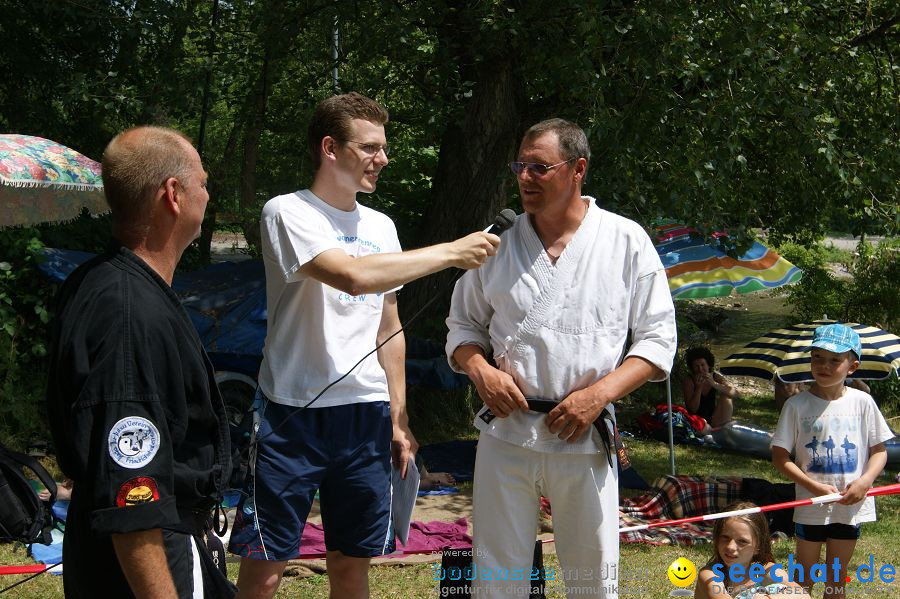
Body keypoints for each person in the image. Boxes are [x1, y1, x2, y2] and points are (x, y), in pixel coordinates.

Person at [227, 92, 499, 599]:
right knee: (265, 570)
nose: (383, 159)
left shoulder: (382, 226)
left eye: (384, 147)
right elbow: (351, 277)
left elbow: (387, 324)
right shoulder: (286, 212)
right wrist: (450, 252)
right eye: (370, 147)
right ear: (330, 148)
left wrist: (399, 418)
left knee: (352, 565)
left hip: (365, 416)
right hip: (291, 414)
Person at [446, 118, 677, 598]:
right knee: (497, 575)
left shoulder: (624, 240)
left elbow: (657, 343)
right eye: (520, 166)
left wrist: (598, 396)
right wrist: (480, 370)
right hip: (507, 429)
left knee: (592, 576)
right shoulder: (496, 241)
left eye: (539, 167)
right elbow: (462, 328)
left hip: (582, 432)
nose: (525, 178)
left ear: (578, 170)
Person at [45, 126, 235, 597]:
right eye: (204, 183)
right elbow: (133, 488)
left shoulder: (100, 281)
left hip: (127, 545)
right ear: (173, 194)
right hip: (149, 556)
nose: (208, 196)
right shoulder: (130, 313)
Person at [771, 323, 893, 599]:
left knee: (837, 577)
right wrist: (814, 488)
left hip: (850, 505)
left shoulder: (863, 402)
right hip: (811, 505)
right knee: (803, 576)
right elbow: (780, 458)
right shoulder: (796, 406)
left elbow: (879, 451)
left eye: (834, 360)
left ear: (852, 366)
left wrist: (865, 481)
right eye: (817, 358)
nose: (824, 366)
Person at [694, 501, 810, 599]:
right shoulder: (710, 576)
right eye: (725, 538)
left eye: (742, 541)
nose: (730, 547)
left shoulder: (766, 570)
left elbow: (803, 595)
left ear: (758, 547)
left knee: (779, 589)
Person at [682, 346, 738, 432]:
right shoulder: (689, 380)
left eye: (702, 365)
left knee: (726, 396)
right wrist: (698, 388)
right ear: (692, 368)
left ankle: (723, 428)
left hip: (713, 418)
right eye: (696, 366)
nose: (700, 369)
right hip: (697, 421)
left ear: (708, 365)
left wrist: (714, 384)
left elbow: (735, 393)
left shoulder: (715, 376)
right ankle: (717, 430)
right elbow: (692, 409)